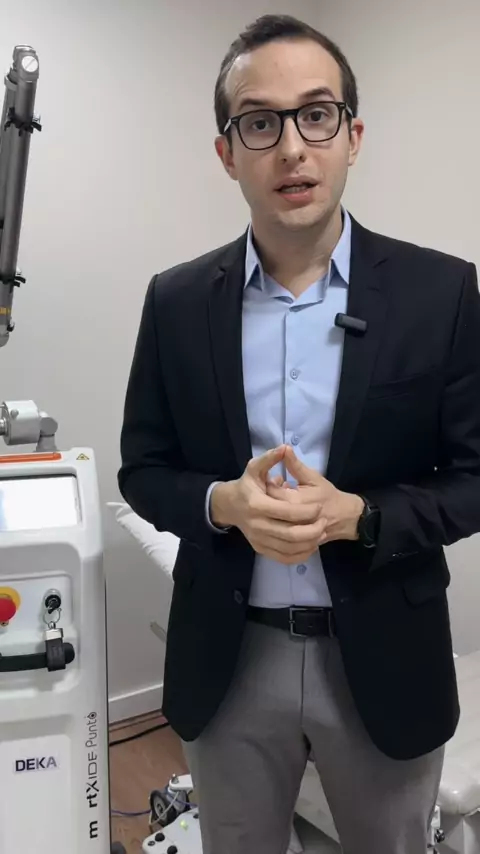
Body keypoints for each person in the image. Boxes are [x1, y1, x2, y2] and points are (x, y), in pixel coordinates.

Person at [118, 13, 480, 854]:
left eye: (316, 115)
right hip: (230, 656)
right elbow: (144, 470)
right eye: (260, 122)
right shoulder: (176, 302)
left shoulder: (441, 294)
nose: (291, 148)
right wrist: (222, 503)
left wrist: (363, 516)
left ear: (353, 136)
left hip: (384, 655)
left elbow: (474, 476)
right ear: (226, 152)